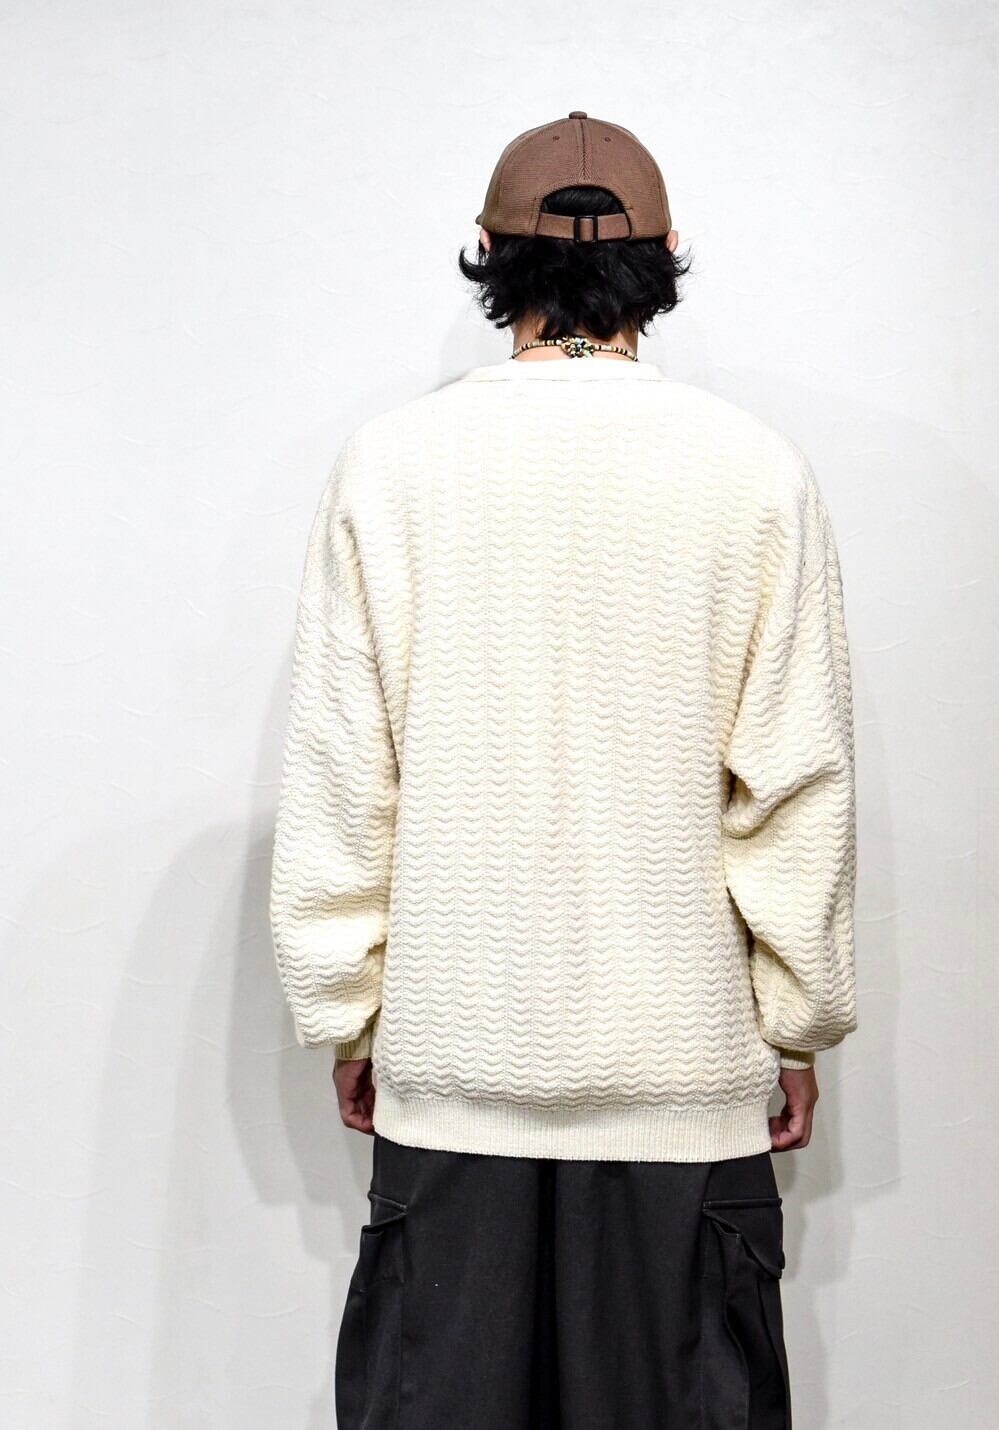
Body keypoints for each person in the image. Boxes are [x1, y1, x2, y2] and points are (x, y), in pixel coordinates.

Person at [268, 110, 858, 1430]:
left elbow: (343, 775)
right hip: (684, 1092)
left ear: (486, 254)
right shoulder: (756, 473)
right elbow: (794, 789)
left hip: (454, 1079)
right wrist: (798, 1022)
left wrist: (350, 1013)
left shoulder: (391, 468)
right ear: (669, 254)